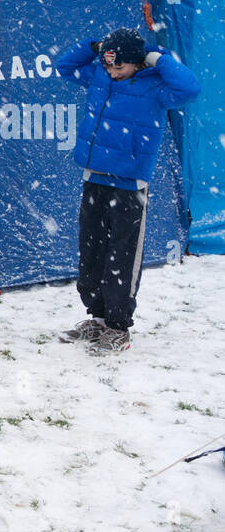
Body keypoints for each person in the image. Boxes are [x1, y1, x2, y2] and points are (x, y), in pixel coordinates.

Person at [55, 27, 200, 354]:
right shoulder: (99, 76)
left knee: (123, 254)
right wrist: (92, 46)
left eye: (119, 67)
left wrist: (157, 58)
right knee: (91, 250)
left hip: (129, 186)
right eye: (108, 65)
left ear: (137, 62)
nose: (112, 72)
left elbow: (190, 89)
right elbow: (64, 67)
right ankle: (98, 316)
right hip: (95, 179)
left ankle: (118, 326)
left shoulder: (157, 88)